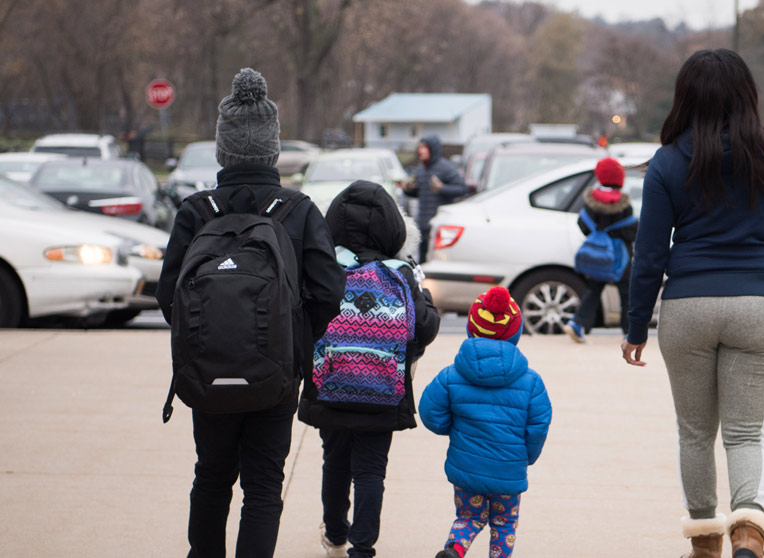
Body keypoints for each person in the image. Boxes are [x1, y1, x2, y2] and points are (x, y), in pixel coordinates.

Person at [620, 49, 764, 558]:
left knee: (695, 433)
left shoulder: (667, 161)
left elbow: (650, 255)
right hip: (763, 303)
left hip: (689, 307)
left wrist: (636, 327)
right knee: (747, 434)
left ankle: (704, 542)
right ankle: (749, 532)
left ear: (687, 98)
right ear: (747, 94)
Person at [156, 68, 346, 558]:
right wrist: (293, 340)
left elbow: (166, 296)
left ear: (223, 150)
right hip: (275, 374)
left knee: (212, 476)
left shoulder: (196, 211)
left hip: (207, 371)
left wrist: (208, 337)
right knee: (263, 484)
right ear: (272, 150)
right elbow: (329, 292)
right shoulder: (299, 210)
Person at [298, 180, 441, 558]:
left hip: (330, 385)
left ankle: (334, 532)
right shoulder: (401, 273)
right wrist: (425, 300)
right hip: (383, 391)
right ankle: (362, 548)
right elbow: (423, 329)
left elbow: (304, 321)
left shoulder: (324, 268)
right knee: (371, 471)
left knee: (335, 461)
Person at [419, 286, 552, 558]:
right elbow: (538, 426)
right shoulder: (531, 381)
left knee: (468, 517)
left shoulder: (452, 374)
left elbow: (430, 412)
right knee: (503, 524)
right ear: (515, 330)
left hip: (466, 467)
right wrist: (526, 457)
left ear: (472, 327)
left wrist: (452, 428)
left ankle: (455, 549)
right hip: (508, 471)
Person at [566, 156, 639, 343]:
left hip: (597, 256)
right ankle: (628, 333)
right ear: (620, 179)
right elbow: (631, 231)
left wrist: (599, 235)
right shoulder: (623, 204)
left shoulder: (591, 201)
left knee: (594, 290)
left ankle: (577, 322)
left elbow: (582, 224)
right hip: (621, 258)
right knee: (626, 294)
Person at [400, 135, 467, 263]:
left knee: (437, 261)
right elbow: (421, 193)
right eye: (419, 147)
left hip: (439, 225)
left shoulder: (446, 168)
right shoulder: (421, 169)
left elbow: (462, 189)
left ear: (433, 149)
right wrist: (408, 189)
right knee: (423, 261)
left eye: (424, 147)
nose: (420, 151)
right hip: (423, 223)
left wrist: (442, 188)